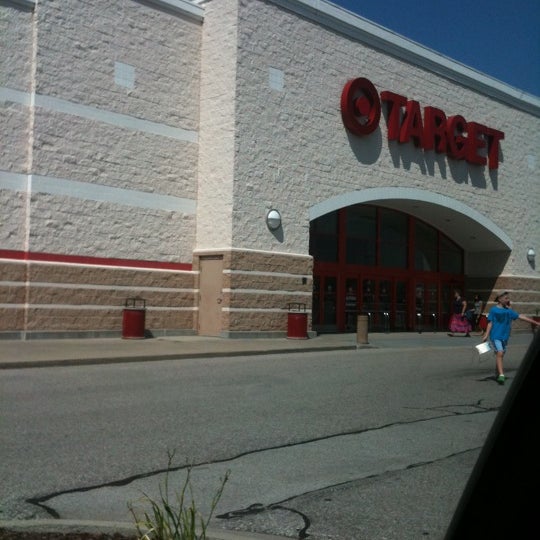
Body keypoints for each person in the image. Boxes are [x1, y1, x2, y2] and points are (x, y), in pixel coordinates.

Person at [482, 291, 540, 385]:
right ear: (499, 299)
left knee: (501, 354)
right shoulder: (493, 310)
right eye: (506, 298)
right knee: (500, 352)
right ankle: (501, 375)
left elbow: (520, 316)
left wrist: (536, 323)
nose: (508, 300)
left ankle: (498, 372)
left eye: (508, 298)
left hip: (505, 337)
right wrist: (486, 334)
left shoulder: (508, 311)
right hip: (495, 336)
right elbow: (490, 323)